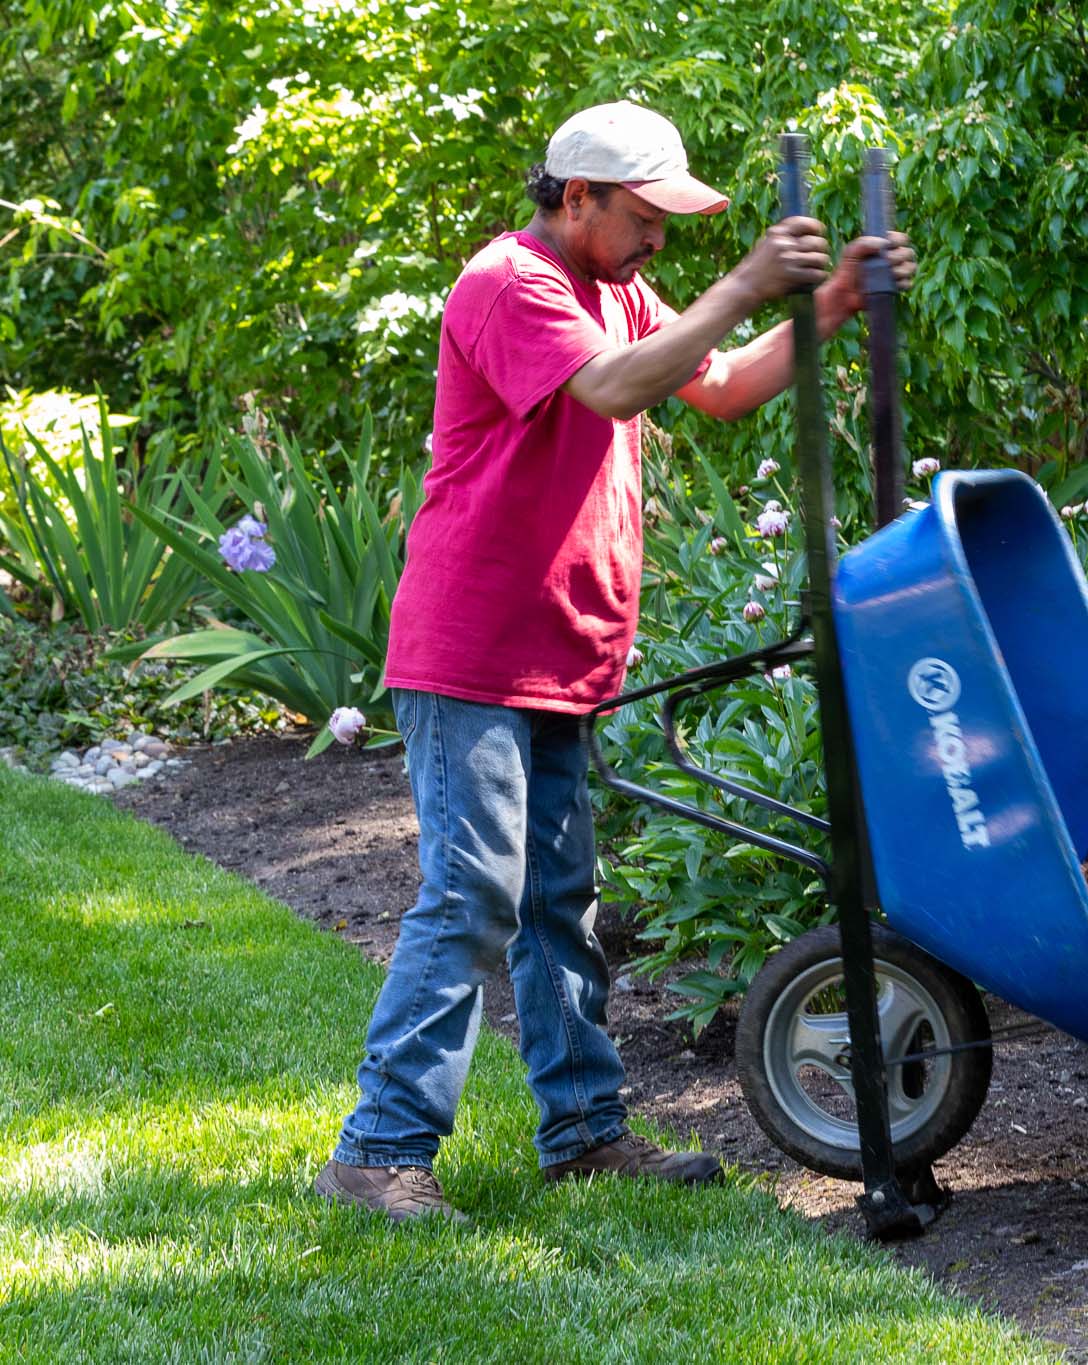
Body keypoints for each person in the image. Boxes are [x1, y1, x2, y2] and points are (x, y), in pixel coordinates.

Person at [314, 101, 915, 1223]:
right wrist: (742, 285)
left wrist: (825, 306)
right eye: (642, 218)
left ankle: (583, 1137)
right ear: (574, 196)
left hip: (559, 647)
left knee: (559, 903)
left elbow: (721, 387)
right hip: (472, 650)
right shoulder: (510, 281)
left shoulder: (613, 287)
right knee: (471, 898)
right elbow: (611, 387)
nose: (656, 243)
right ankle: (377, 1151)